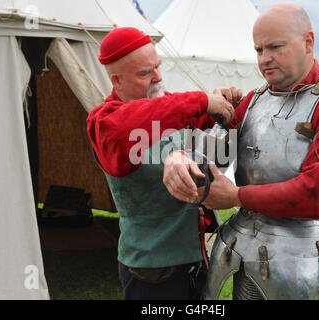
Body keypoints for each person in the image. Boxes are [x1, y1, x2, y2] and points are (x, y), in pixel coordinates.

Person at [163, 3, 319, 300]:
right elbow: (211, 157)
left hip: (310, 256)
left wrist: (236, 196)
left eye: (275, 47)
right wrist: (178, 157)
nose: (264, 59)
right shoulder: (253, 102)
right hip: (246, 246)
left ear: (308, 42)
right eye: (258, 50)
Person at [86, 27, 238, 300]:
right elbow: (132, 125)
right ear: (116, 81)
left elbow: (197, 122)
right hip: (153, 271)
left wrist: (221, 103)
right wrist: (202, 100)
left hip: (196, 257)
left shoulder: (166, 107)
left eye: (157, 67)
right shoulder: (105, 122)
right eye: (145, 73)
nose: (157, 77)